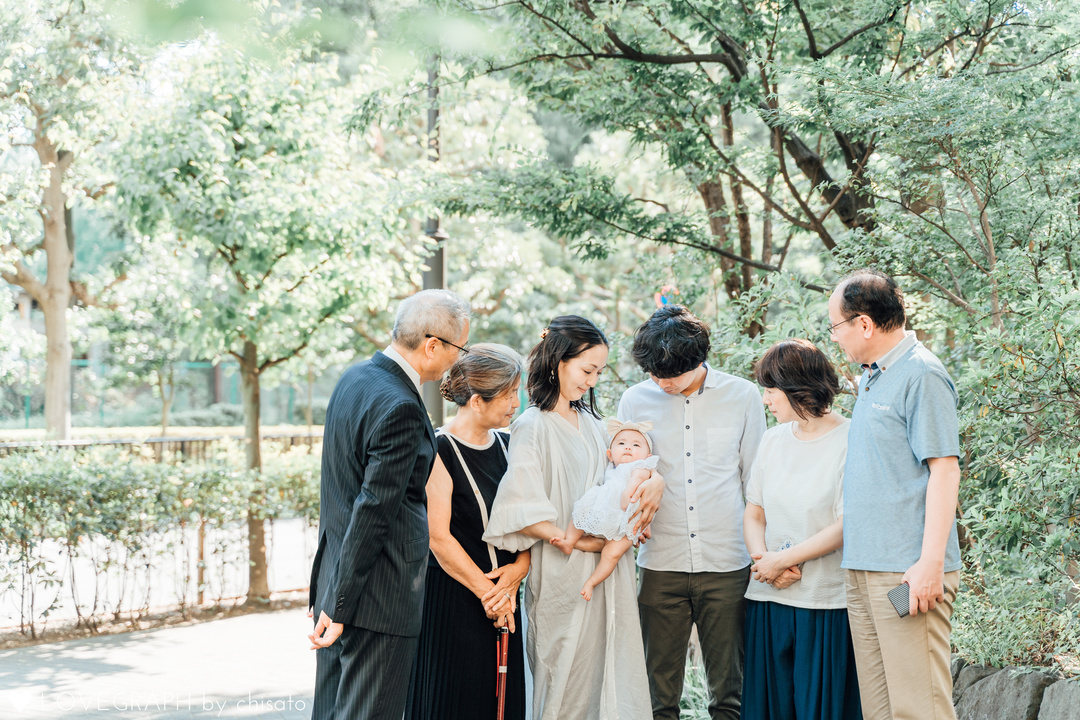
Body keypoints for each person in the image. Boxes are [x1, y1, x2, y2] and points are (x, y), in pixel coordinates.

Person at [482, 315, 661, 720]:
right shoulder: (532, 425)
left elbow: (627, 472)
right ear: (558, 361)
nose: (593, 381)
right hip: (562, 576)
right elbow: (520, 503)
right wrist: (579, 541)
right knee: (562, 681)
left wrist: (652, 486)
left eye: (598, 371)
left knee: (610, 673)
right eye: (587, 370)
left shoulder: (597, 426)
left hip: (607, 574)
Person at [307, 289, 471, 720]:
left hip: (338, 585)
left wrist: (331, 597)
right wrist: (342, 606)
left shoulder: (354, 378)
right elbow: (373, 511)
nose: (458, 360)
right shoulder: (400, 404)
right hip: (377, 600)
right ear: (433, 344)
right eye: (459, 348)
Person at [618, 304, 766, 720]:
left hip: (728, 562)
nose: (660, 382)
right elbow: (624, 476)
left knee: (731, 694)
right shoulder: (634, 400)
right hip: (660, 561)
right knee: (656, 694)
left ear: (699, 360)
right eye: (653, 373)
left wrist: (762, 554)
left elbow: (755, 481)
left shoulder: (742, 396)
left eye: (671, 374)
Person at [828, 269, 962, 720]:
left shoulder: (921, 374)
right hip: (864, 565)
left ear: (863, 324)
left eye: (836, 327)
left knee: (919, 708)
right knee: (881, 710)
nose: (836, 339)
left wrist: (931, 563)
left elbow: (945, 470)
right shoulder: (871, 377)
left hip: (907, 570)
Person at [405, 344, 530, 720]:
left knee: (506, 706)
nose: (516, 403)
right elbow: (438, 538)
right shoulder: (439, 449)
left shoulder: (511, 445)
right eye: (508, 395)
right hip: (457, 598)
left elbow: (530, 520)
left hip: (506, 597)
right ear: (477, 401)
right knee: (457, 702)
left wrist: (520, 569)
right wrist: (491, 596)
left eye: (516, 392)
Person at [741, 339, 862, 720]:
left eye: (770, 390)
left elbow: (847, 524)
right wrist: (765, 563)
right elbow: (754, 512)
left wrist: (783, 561)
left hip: (824, 602)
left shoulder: (850, 439)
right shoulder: (773, 439)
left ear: (797, 389)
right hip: (769, 597)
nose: (765, 399)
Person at [551, 419, 660, 600]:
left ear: (648, 457)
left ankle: (592, 581)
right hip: (605, 508)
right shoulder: (610, 468)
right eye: (621, 443)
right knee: (580, 513)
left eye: (636, 445)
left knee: (612, 553)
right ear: (610, 454)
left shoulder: (640, 467)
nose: (628, 448)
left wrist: (628, 495)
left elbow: (637, 481)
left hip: (628, 518)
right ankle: (569, 541)